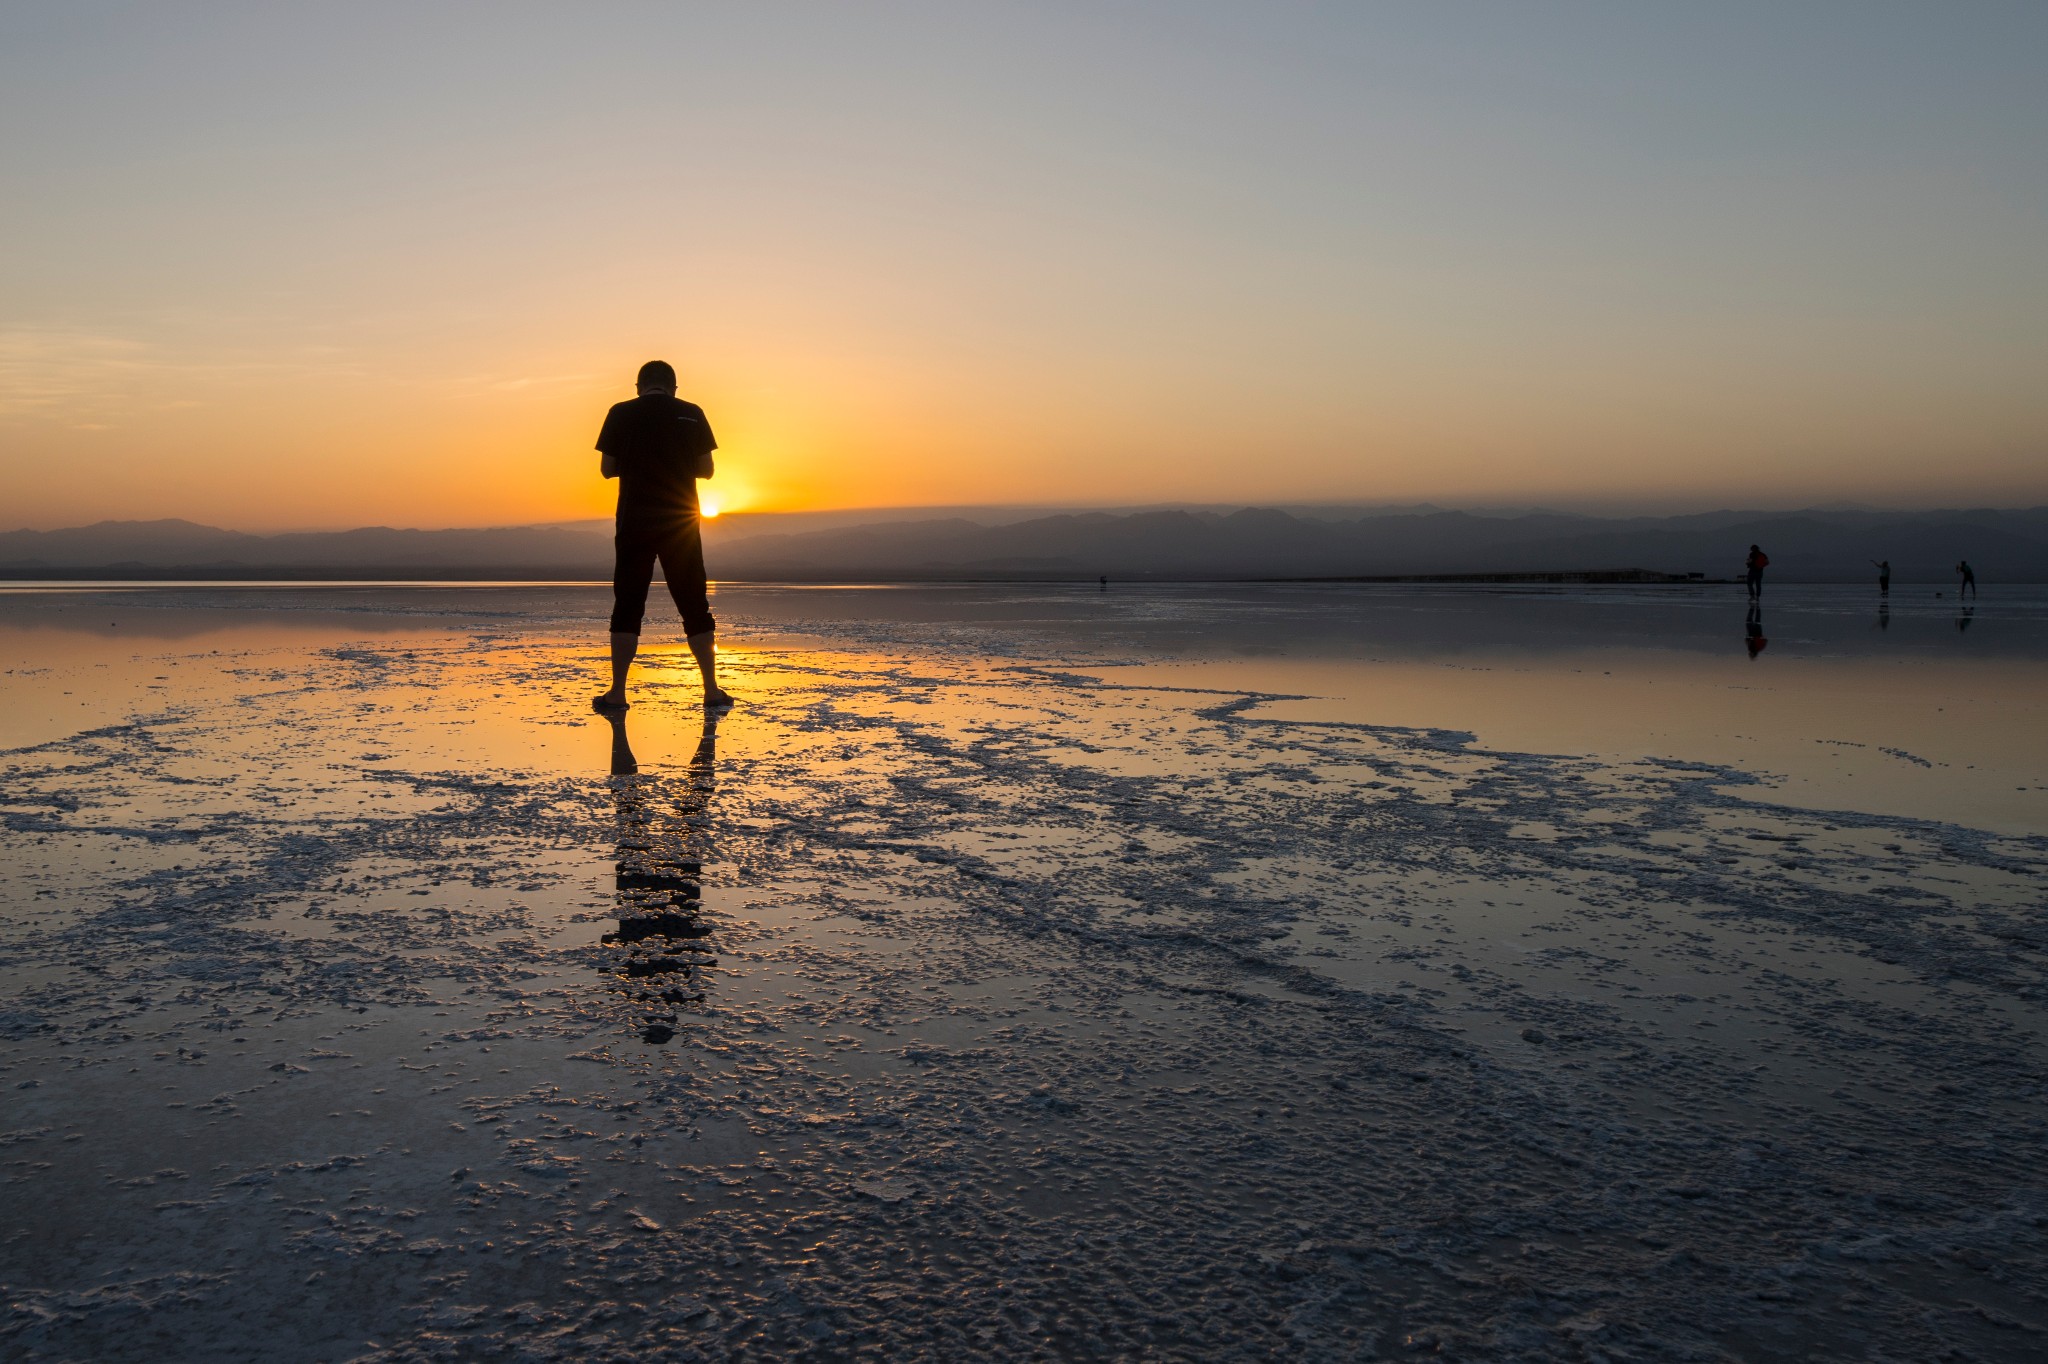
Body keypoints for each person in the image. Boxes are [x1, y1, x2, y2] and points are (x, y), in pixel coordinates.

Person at [592, 360, 733, 711]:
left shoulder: (620, 412)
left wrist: (638, 463)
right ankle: (712, 691)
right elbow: (706, 469)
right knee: (694, 604)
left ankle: (618, 693)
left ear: (639, 387)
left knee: (627, 605)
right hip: (680, 524)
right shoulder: (691, 412)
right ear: (673, 387)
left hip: (634, 522)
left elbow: (607, 470)